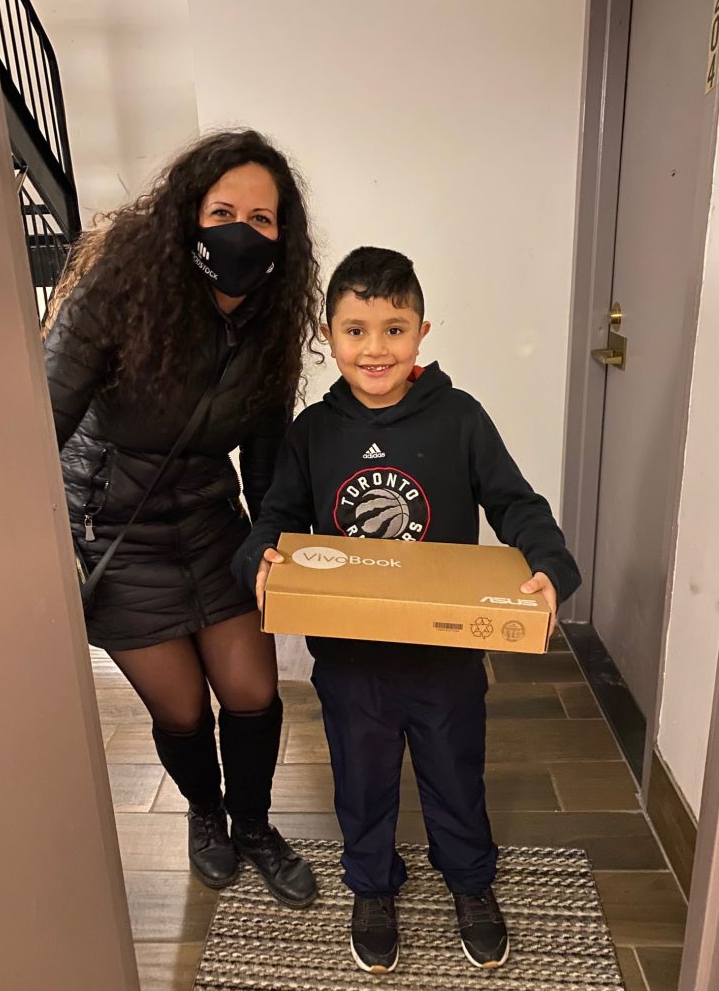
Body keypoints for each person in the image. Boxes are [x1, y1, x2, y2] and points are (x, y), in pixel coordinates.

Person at [232, 247, 582, 971]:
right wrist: (259, 555)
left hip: (444, 656)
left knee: (455, 774)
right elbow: (278, 517)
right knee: (361, 782)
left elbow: (516, 503)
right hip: (350, 659)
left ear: (422, 332)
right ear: (329, 334)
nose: (375, 348)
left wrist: (548, 564)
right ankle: (371, 887)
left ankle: (471, 882)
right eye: (356, 330)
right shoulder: (313, 431)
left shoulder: (460, 418)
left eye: (394, 329)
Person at [44, 129, 321, 908]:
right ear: (187, 215)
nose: (241, 232)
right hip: (113, 533)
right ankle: (206, 814)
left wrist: (272, 548)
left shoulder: (271, 324)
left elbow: (264, 461)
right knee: (183, 709)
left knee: (253, 692)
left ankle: (255, 826)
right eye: (223, 212)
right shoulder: (120, 291)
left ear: (283, 236)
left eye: (261, 219)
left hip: (209, 525)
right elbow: (42, 419)